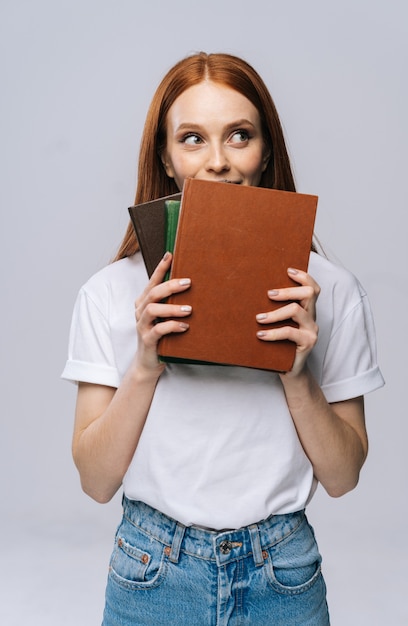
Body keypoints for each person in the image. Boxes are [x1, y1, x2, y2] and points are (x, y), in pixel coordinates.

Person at [62, 52, 384, 625]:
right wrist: (144, 364)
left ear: (266, 153)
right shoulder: (109, 293)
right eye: (192, 139)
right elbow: (95, 481)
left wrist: (296, 371)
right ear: (165, 157)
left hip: (282, 572)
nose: (218, 162)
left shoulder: (329, 291)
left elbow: (343, 477)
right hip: (153, 571)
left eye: (239, 135)